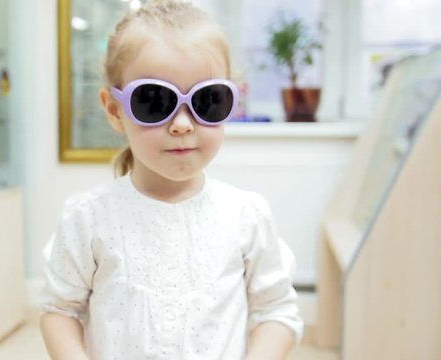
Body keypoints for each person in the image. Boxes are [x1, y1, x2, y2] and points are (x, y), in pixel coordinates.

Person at [39, 1, 303, 359]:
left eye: (208, 100)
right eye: (154, 101)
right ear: (115, 111)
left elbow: (277, 310)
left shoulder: (246, 214)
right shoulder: (88, 218)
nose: (182, 123)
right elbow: (60, 310)